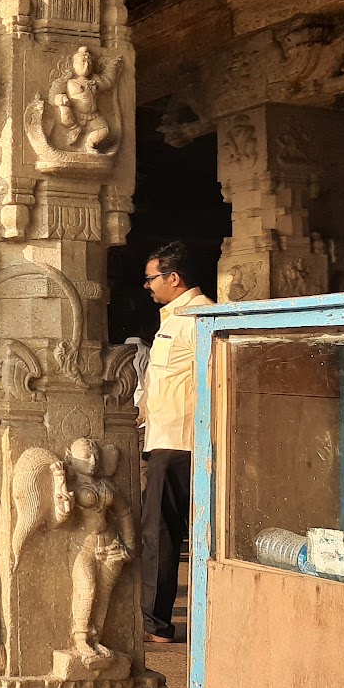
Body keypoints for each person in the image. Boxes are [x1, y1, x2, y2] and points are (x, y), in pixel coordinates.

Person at [137, 242, 214, 644]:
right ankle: (157, 621)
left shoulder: (198, 318)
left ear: (173, 278)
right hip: (165, 438)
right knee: (161, 535)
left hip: (181, 443)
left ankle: (156, 624)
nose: (147, 286)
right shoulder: (173, 320)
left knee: (162, 536)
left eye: (152, 277)